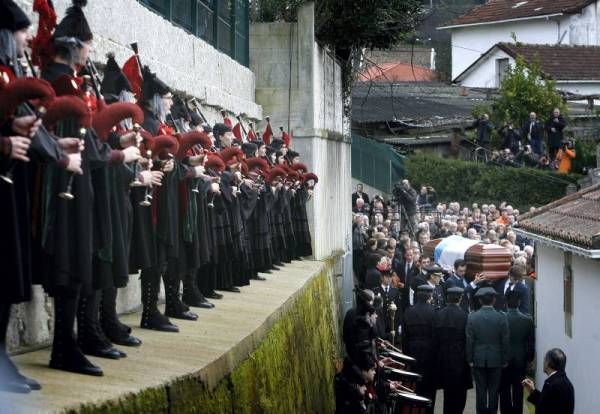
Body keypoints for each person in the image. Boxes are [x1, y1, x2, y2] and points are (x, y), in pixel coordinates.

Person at [466, 287, 509, 414]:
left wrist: (469, 359)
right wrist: (505, 359)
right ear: (494, 300)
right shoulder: (501, 317)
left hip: (478, 358)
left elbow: (470, 340)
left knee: (481, 390)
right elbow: (505, 340)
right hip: (496, 359)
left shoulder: (472, 317)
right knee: (494, 390)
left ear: (480, 301)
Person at [434, 287, 472, 414]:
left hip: (443, 356)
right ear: (460, 299)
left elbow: (435, 337)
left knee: (448, 392)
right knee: (460, 394)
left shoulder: (439, 314)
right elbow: (468, 338)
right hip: (460, 357)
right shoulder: (465, 315)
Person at [402, 284, 437, 414]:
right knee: (429, 387)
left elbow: (404, 336)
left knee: (415, 385)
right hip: (429, 353)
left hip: (413, 351)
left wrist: (407, 355)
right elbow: (435, 335)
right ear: (429, 296)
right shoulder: (434, 312)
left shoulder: (409, 311)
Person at [500, 291, 534, 414]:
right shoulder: (527, 320)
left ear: (506, 302)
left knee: (504, 389)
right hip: (520, 358)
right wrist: (529, 359)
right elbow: (530, 343)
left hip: (504, 358)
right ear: (519, 302)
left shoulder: (501, 319)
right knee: (519, 389)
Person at [522, 348, 574, 414]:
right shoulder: (568, 384)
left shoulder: (552, 384)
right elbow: (547, 404)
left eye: (544, 359)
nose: (543, 362)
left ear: (548, 362)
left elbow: (543, 409)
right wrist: (533, 391)